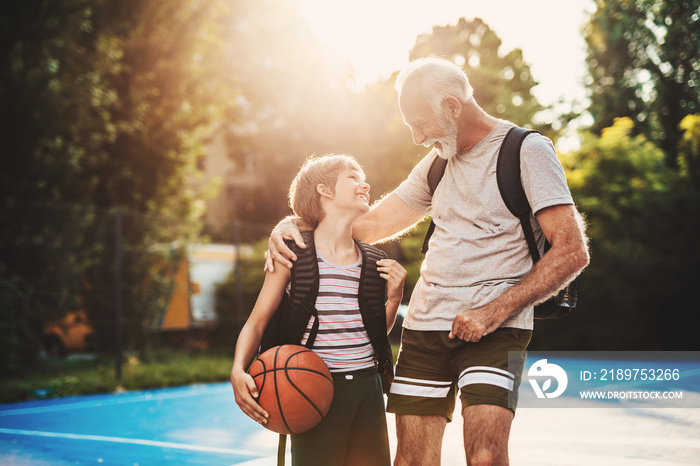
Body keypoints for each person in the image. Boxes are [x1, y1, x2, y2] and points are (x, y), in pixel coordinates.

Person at [265, 57, 590, 465]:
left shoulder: (526, 151)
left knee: (486, 456)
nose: (417, 138)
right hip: (424, 328)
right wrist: (295, 223)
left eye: (420, 123)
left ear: (453, 106)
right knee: (413, 460)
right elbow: (369, 225)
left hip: (497, 329)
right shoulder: (436, 163)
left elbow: (572, 250)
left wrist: (494, 311)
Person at [231, 154, 407, 466]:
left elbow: (376, 333)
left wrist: (393, 299)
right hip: (314, 387)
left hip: (368, 387)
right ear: (324, 190)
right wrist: (238, 369)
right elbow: (257, 322)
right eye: (352, 177)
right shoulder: (291, 255)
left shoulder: (371, 261)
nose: (364, 183)